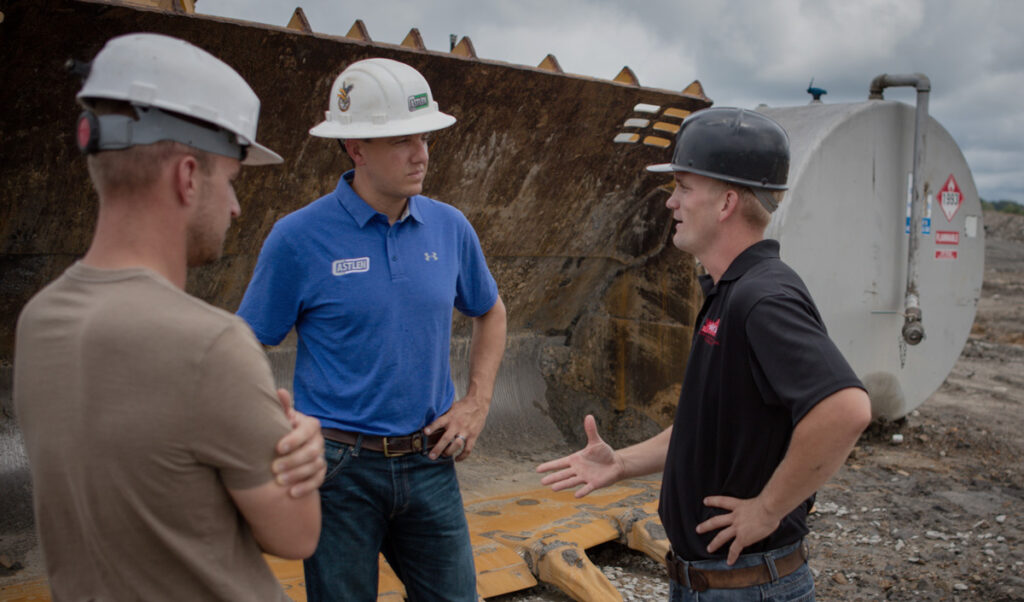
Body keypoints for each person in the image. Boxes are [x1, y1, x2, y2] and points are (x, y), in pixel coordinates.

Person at [13, 33, 326, 601]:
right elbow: (297, 536)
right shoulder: (212, 346)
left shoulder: (39, 321)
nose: (234, 206)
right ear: (187, 176)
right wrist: (303, 460)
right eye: (230, 181)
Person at [537, 107, 872, 601]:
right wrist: (620, 463)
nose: (671, 202)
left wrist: (767, 509)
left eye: (683, 188)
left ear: (726, 203)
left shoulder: (763, 297)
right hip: (714, 584)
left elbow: (845, 409)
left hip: (747, 587)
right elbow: (709, 427)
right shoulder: (728, 291)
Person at [237, 57, 507, 601]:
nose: (421, 154)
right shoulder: (298, 238)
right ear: (355, 148)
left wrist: (477, 402)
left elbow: (490, 311)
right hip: (339, 473)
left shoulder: (450, 227)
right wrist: (276, 430)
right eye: (401, 140)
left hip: (430, 461)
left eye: (424, 137)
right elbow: (244, 344)